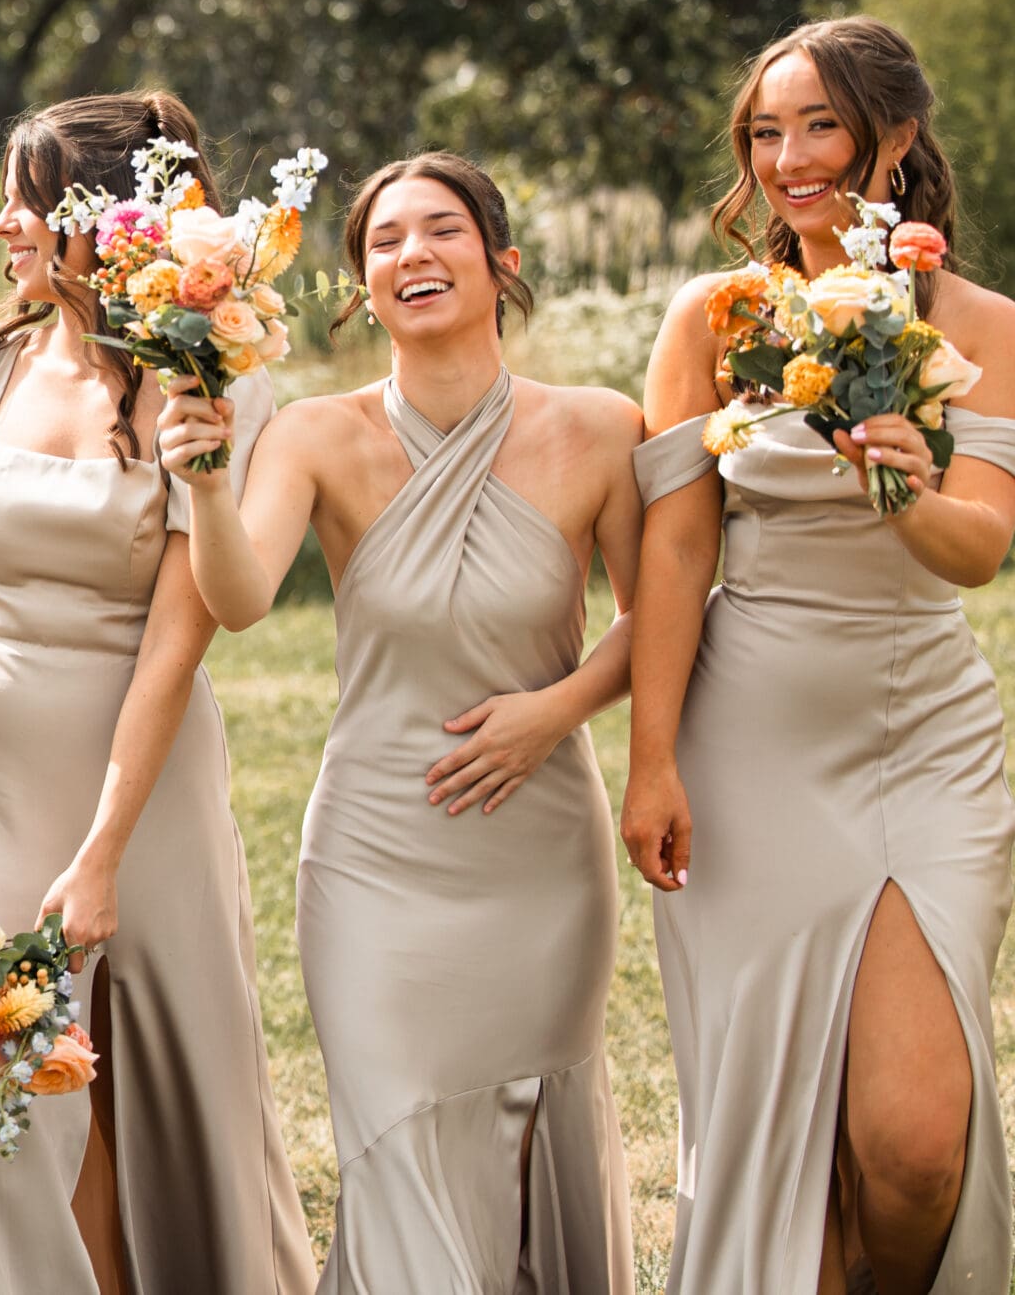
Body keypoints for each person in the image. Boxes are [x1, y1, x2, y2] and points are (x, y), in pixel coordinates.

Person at [0, 93, 315, 1295]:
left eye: (27, 200)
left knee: (142, 1096)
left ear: (99, 222)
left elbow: (176, 643)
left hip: (136, 789)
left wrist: (102, 850)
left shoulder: (202, 379)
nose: (3, 223)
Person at [161, 152, 639, 1291]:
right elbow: (235, 602)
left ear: (500, 263)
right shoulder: (319, 437)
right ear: (358, 286)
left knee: (528, 1138)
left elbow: (662, 621)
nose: (410, 255)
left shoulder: (604, 428)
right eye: (382, 242)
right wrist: (208, 484)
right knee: (395, 1155)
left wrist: (554, 712)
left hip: (541, 853)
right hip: (375, 854)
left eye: (439, 232)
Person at [627, 16, 1015, 1294]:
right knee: (789, 1125)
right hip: (752, 742)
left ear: (893, 137)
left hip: (931, 741)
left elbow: (977, 556)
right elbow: (676, 557)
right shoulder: (711, 318)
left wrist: (910, 481)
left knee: (911, 1148)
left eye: (820, 127)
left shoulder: (986, 324)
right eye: (764, 132)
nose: (789, 159)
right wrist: (649, 763)